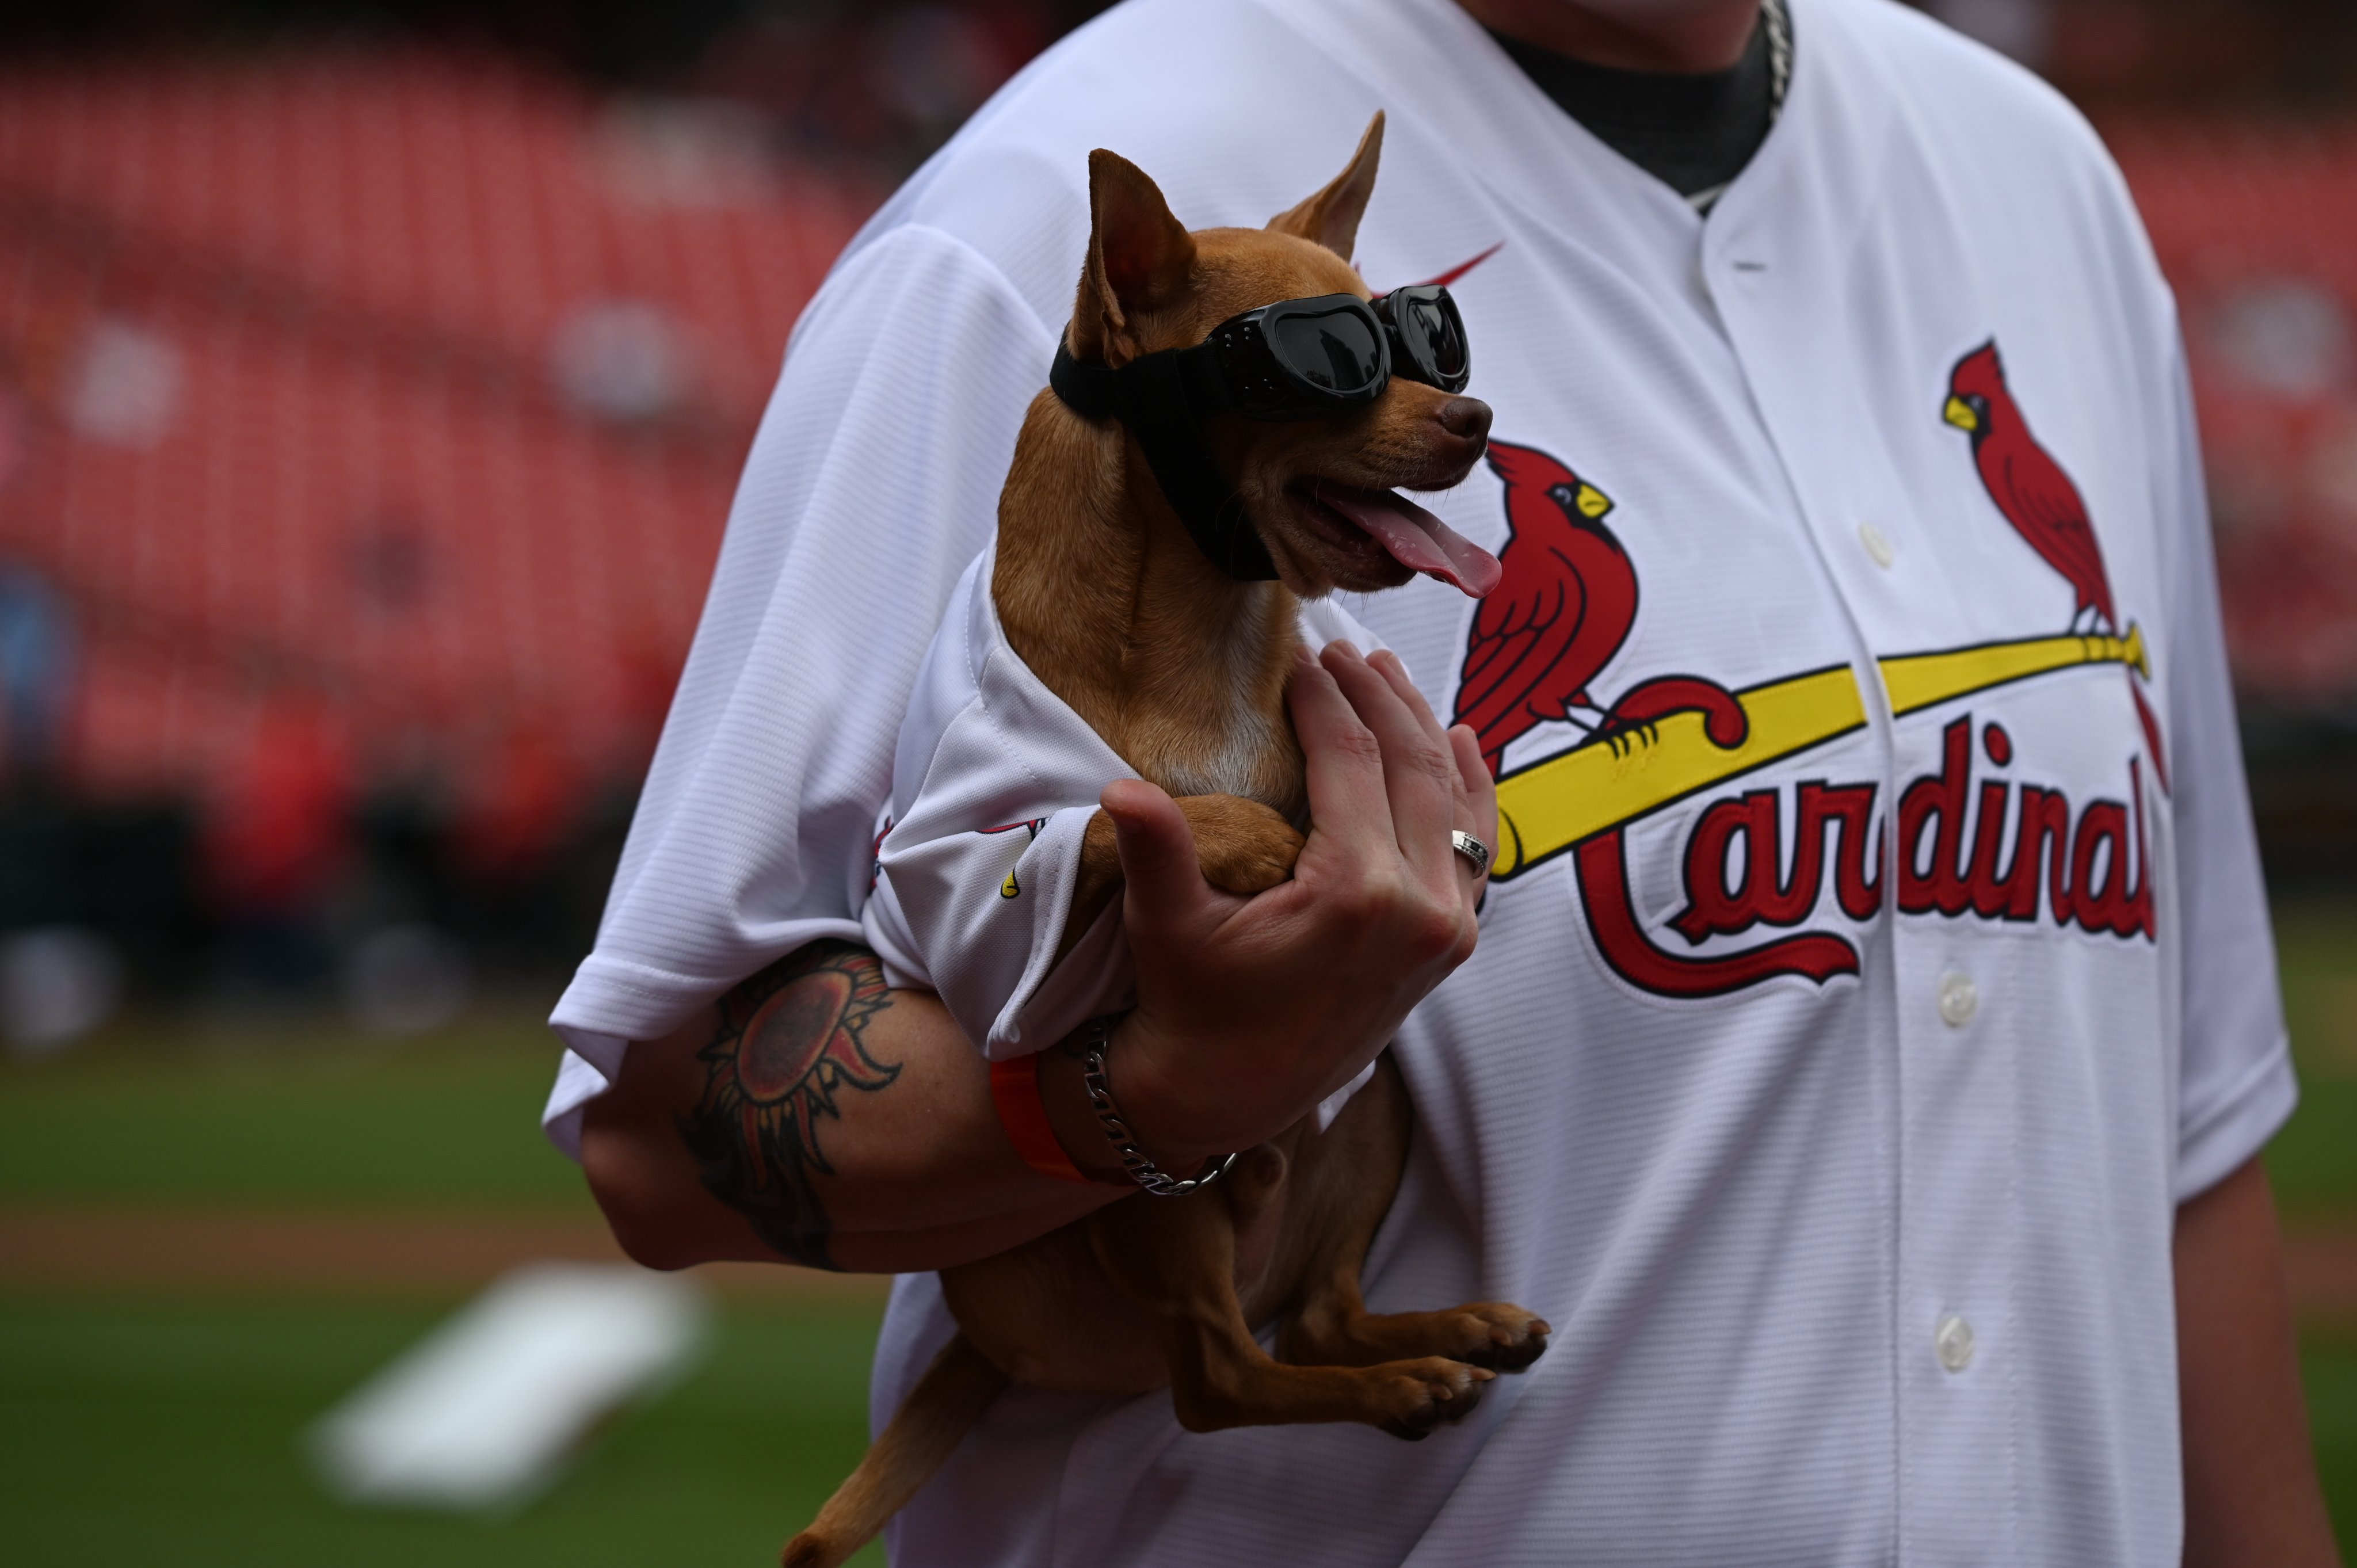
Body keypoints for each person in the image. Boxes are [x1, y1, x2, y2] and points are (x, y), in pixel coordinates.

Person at [544, 0, 2343, 1562]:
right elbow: (664, 1126)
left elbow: (2178, 1136)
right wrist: (1143, 1097)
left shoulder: (2043, 183)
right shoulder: (1052, 227)